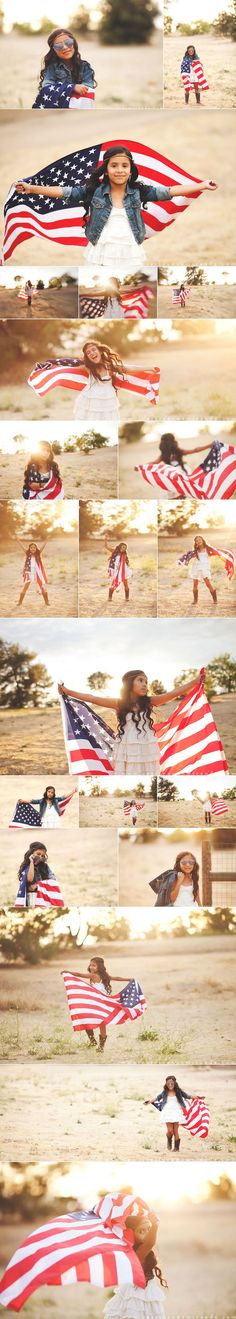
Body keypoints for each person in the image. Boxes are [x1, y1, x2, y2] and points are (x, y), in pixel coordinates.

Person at [15, 146, 217, 271]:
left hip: (130, 250)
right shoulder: (94, 191)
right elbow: (64, 192)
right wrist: (31, 188)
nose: (119, 170)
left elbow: (169, 191)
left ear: (130, 170)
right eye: (114, 166)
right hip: (101, 250)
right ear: (106, 169)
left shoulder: (139, 191)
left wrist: (201, 185)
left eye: (124, 166)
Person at [58, 669, 199, 775]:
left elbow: (173, 694)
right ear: (129, 683)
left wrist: (196, 681)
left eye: (146, 681)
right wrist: (67, 691)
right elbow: (92, 698)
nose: (145, 684)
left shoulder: (150, 702)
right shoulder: (119, 703)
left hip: (147, 746)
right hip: (126, 746)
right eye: (140, 680)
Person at [104, 1206, 167, 1318]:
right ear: (130, 1234)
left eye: (148, 1229)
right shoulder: (136, 1252)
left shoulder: (141, 1250)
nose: (147, 1233)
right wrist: (155, 1226)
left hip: (144, 1295)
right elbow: (149, 1243)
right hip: (137, 1298)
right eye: (141, 1231)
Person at [71, 956, 128, 1052]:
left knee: (87, 1019)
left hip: (97, 1002)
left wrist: (68, 973)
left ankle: (94, 1041)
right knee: (102, 1023)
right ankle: (99, 1046)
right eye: (90, 965)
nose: (91, 967)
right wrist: (129, 979)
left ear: (99, 967)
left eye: (94, 965)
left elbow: (79, 974)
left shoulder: (93, 976)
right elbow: (117, 978)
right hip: (101, 1002)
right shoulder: (105, 976)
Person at [32, 28, 96, 109]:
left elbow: (87, 88)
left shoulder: (85, 67)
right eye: (58, 45)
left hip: (80, 108)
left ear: (74, 43)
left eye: (68, 42)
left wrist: (64, 90)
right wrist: (72, 87)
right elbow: (47, 87)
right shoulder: (52, 67)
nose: (65, 47)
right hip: (58, 109)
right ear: (53, 50)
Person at [73, 341, 125, 422]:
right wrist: (54, 367)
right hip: (91, 400)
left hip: (108, 399)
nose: (92, 353)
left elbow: (127, 368)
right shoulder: (88, 367)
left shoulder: (110, 366)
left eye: (94, 350)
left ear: (100, 351)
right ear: (87, 357)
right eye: (88, 352)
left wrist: (150, 368)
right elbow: (69, 368)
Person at [145, 1074, 192, 1152]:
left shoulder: (178, 1092)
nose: (170, 1085)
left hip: (176, 1112)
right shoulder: (165, 1092)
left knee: (175, 1131)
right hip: (167, 1112)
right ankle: (169, 1139)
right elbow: (157, 1098)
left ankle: (176, 1148)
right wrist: (149, 1101)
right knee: (170, 1131)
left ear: (175, 1083)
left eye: (172, 1084)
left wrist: (197, 1097)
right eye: (168, 1084)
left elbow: (187, 1096)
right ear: (166, 1084)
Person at [16, 841, 63, 908]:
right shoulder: (26, 867)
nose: (40, 857)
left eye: (42, 856)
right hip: (31, 897)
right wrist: (31, 862)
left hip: (43, 896)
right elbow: (30, 879)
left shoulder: (45, 867)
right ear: (31, 853)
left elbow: (53, 879)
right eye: (38, 854)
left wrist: (38, 885)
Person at [179, 535, 218, 607]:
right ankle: (195, 600)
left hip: (204, 567)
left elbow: (217, 552)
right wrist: (182, 560)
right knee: (195, 584)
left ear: (203, 540)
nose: (198, 541)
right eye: (197, 541)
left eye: (200, 540)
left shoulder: (208, 549)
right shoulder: (195, 551)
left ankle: (215, 599)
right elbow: (188, 557)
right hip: (196, 567)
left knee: (208, 583)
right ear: (195, 543)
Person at [14, 538, 49, 608]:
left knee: (42, 587)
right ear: (29, 549)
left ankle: (47, 602)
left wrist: (46, 541)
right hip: (29, 573)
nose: (33, 549)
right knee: (25, 587)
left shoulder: (38, 554)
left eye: (34, 548)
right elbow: (22, 547)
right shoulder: (27, 554)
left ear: (36, 549)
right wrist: (18, 541)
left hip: (37, 573)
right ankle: (20, 602)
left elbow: (42, 547)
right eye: (31, 548)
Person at [105, 536, 132, 602]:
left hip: (123, 571)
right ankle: (110, 597)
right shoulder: (114, 551)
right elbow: (106, 547)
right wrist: (105, 539)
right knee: (114, 583)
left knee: (126, 584)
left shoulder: (124, 554)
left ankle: (127, 597)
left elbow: (125, 563)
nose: (124, 549)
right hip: (116, 571)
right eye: (123, 547)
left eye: (125, 548)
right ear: (120, 547)